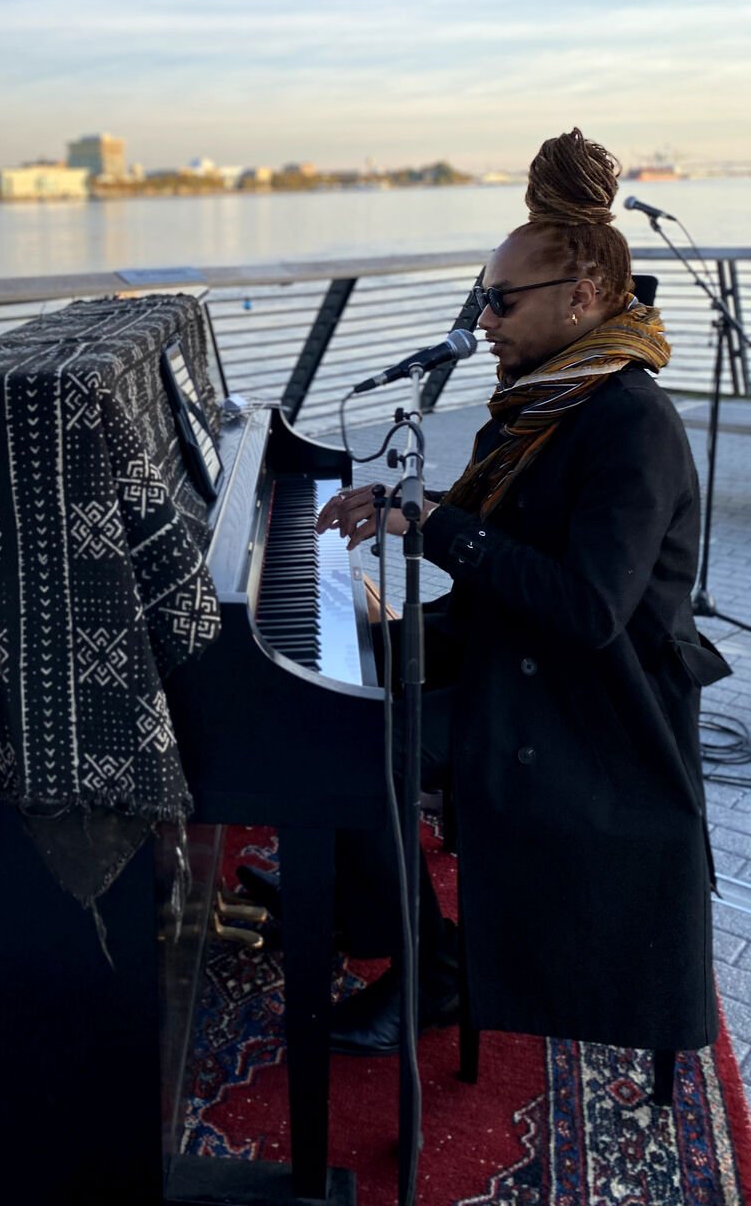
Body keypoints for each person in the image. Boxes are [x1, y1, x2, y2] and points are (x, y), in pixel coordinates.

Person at [304, 127, 725, 1058]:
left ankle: (431, 965)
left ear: (581, 299)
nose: (480, 321)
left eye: (497, 302)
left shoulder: (629, 422)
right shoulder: (544, 396)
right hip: (529, 665)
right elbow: (506, 543)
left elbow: (587, 611)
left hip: (595, 707)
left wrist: (436, 525)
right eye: (479, 299)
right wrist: (411, 545)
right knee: (331, 702)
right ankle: (360, 908)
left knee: (347, 750)